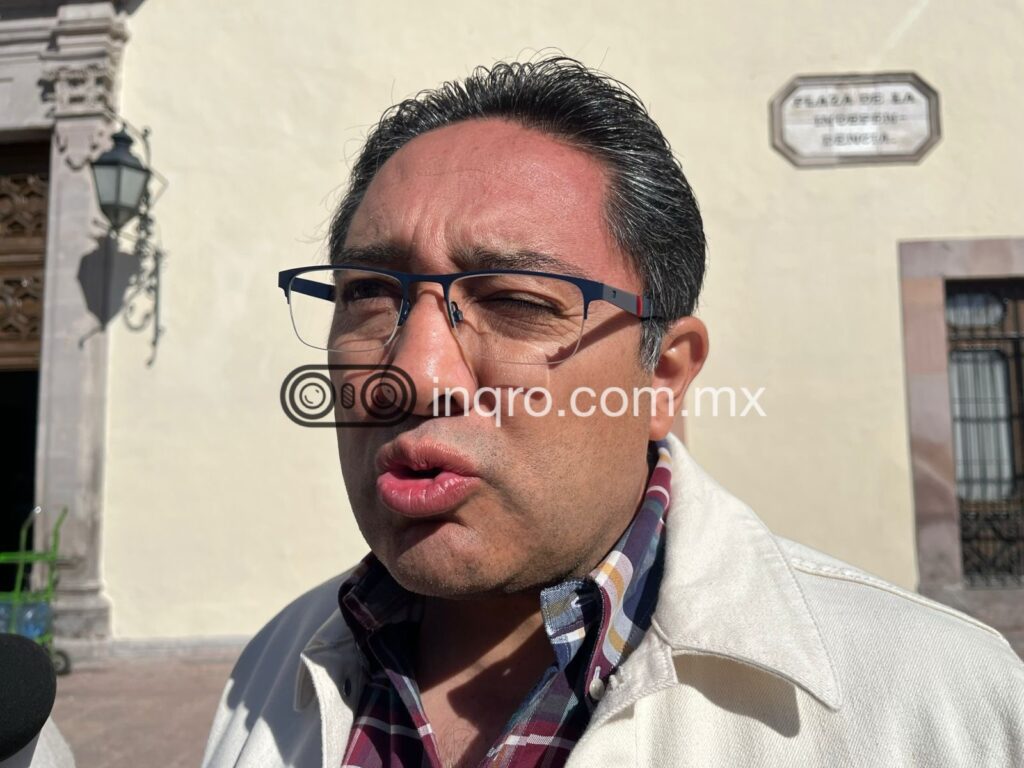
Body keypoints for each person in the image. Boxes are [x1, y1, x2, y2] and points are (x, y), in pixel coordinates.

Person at [203, 57, 1023, 767]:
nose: (415, 374)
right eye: (369, 294)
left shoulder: (939, 707)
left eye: (517, 302)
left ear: (662, 377)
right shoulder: (275, 667)